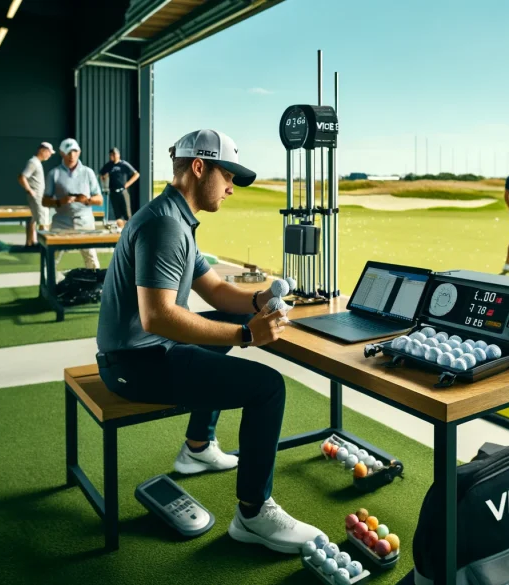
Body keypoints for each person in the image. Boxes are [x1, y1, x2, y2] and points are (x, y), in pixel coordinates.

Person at [95, 129, 326, 554]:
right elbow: (158, 316)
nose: (232, 189)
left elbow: (216, 291)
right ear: (199, 167)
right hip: (133, 365)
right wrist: (245, 335)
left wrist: (260, 300)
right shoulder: (165, 224)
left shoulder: (175, 216)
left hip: (146, 351)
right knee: (268, 388)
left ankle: (197, 448)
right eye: (228, 176)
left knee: (235, 312)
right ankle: (254, 515)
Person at [43, 138, 103, 268]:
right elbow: (45, 201)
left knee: (91, 258)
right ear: (61, 153)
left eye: (74, 152)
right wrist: (60, 201)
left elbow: (99, 199)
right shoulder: (54, 174)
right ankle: (49, 286)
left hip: (85, 221)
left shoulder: (88, 173)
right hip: (61, 222)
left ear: (79, 152)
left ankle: (96, 286)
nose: (72, 156)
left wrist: (86, 200)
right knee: (51, 259)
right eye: (68, 152)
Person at [17, 141, 55, 247]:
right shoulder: (33, 162)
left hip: (38, 195)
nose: (49, 155)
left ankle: (30, 243)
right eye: (48, 152)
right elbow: (22, 177)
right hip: (37, 196)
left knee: (33, 219)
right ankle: (46, 245)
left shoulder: (36, 162)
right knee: (44, 220)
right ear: (42, 151)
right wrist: (30, 190)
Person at [98, 147, 139, 227]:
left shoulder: (123, 164)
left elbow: (136, 174)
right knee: (117, 215)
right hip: (113, 192)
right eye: (111, 154)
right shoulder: (108, 165)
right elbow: (101, 176)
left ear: (118, 155)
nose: (112, 156)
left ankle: (129, 232)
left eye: (114, 154)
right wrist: (104, 177)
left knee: (127, 214)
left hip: (123, 192)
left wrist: (127, 184)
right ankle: (120, 232)